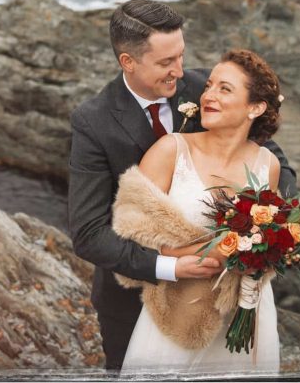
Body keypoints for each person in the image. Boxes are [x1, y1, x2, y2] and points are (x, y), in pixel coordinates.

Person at [67, 0, 296, 371]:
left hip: (230, 298)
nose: (180, 70)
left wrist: (258, 229)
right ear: (128, 61)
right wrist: (171, 266)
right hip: (135, 298)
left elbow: (276, 165)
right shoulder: (94, 122)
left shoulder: (205, 91)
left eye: (181, 56)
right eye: (165, 63)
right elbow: (89, 233)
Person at [114, 48, 285, 375]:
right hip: (178, 314)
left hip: (245, 314)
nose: (209, 95)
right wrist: (214, 251)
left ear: (256, 107)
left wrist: (271, 248)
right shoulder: (170, 150)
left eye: (225, 88)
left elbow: (265, 241)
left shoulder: (268, 165)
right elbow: (128, 242)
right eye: (209, 85)